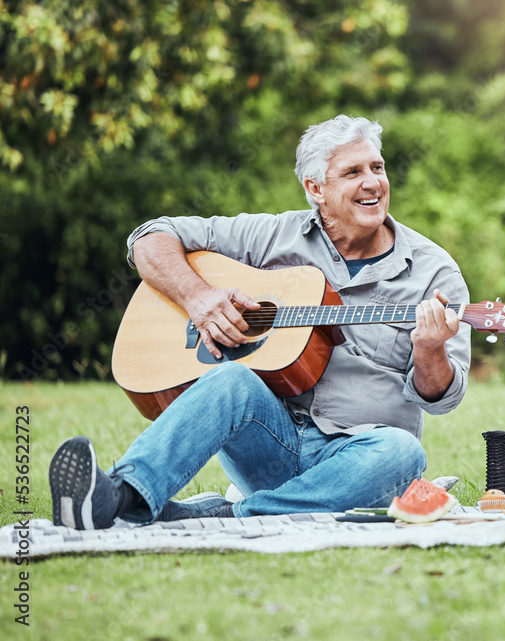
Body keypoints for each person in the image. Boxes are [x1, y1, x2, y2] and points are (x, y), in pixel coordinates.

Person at [48, 115, 472, 530]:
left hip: (359, 460)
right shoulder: (274, 237)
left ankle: (225, 515)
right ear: (316, 189)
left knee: (403, 452)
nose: (372, 182)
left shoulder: (434, 273)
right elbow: (151, 237)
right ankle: (119, 496)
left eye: (377, 168)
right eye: (353, 171)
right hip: (269, 444)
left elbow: (444, 398)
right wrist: (199, 299)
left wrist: (430, 349)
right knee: (231, 378)